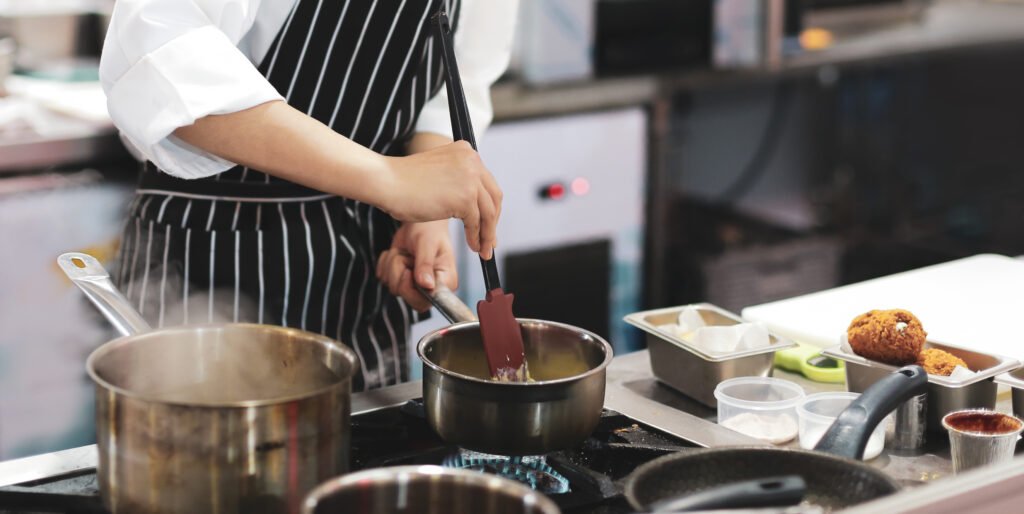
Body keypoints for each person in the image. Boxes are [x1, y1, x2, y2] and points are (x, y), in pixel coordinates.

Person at [99, 0, 519, 391]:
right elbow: (159, 52)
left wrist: (424, 215)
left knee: (363, 454)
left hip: (364, 271)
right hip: (212, 248)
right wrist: (389, 180)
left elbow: (458, 74)